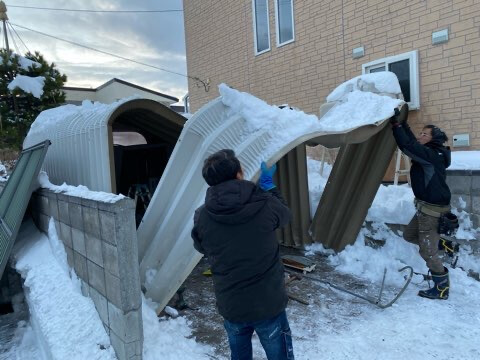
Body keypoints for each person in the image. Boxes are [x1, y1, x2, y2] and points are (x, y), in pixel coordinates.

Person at [191, 149, 294, 360]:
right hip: (268, 303)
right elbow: (285, 216)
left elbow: (202, 247)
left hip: (232, 304)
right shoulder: (265, 202)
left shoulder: (202, 215)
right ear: (239, 173)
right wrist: (270, 187)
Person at [390, 109, 452, 300]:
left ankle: (441, 286)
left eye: (424, 134)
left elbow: (407, 146)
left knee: (427, 251)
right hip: (425, 208)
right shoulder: (433, 153)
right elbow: (413, 143)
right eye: (421, 133)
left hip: (431, 212)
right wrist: (404, 124)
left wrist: (396, 126)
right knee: (409, 235)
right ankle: (441, 243)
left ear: (434, 139)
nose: (420, 136)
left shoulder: (431, 155)